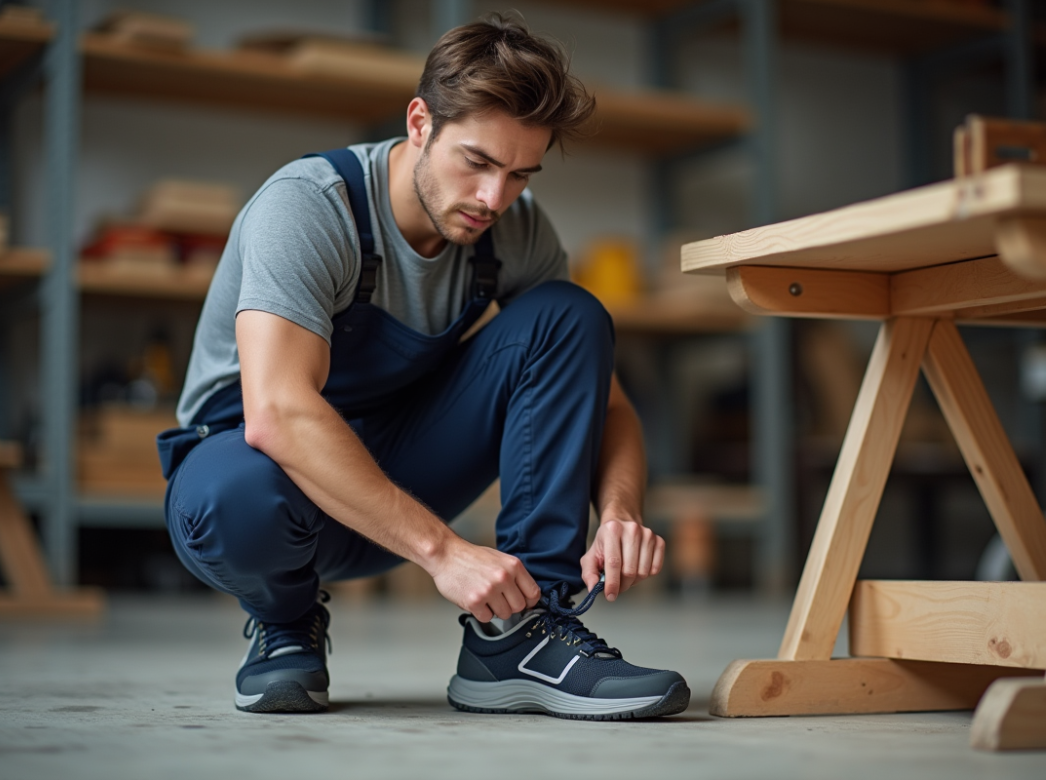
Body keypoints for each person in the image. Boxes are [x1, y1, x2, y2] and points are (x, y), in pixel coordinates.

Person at [157, 12, 689, 721]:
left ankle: (521, 634)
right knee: (236, 498)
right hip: (266, 495)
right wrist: (444, 553)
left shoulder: (517, 230)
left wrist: (620, 509)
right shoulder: (312, 207)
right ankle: (284, 621)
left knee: (570, 313)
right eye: (476, 162)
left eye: (520, 174)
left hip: (396, 472)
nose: (494, 199)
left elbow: (612, 407)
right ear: (419, 122)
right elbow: (278, 412)